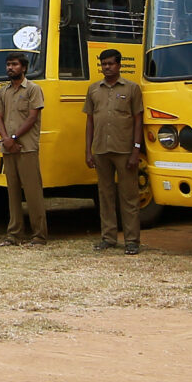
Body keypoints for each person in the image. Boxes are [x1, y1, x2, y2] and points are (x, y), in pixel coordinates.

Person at [83, 49, 147, 253]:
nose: (107, 67)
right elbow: (90, 121)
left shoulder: (132, 88)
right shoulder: (94, 89)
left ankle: (132, 241)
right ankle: (108, 237)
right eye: (104, 64)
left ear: (119, 65)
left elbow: (138, 120)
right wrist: (88, 150)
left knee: (129, 196)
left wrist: (136, 149)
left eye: (110, 63)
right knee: (105, 195)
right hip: (101, 149)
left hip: (125, 150)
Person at [0, 52, 46, 245]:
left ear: (23, 67)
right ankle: (14, 234)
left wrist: (14, 138)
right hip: (8, 148)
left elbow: (32, 118)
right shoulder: (2, 92)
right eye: (8, 64)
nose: (10, 68)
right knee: (13, 193)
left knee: (33, 193)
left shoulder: (33, 89)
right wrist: (6, 140)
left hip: (27, 147)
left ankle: (39, 235)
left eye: (15, 64)